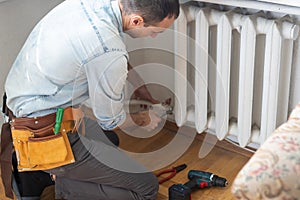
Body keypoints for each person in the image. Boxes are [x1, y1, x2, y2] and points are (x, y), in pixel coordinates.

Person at [3, 0, 180, 199]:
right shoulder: (109, 51)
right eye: (156, 31)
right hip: (42, 132)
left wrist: (140, 88)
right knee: (147, 187)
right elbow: (111, 120)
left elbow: (101, 50)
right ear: (137, 21)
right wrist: (143, 119)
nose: (154, 36)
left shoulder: (92, 5)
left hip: (19, 109)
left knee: (109, 139)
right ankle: (53, 178)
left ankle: (43, 170)